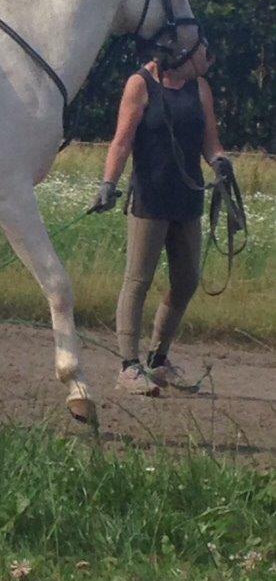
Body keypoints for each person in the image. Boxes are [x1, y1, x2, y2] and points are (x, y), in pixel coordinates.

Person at [91, 42, 232, 395]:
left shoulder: (200, 88)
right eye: (203, 54)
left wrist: (220, 163)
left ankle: (157, 360)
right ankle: (128, 366)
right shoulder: (140, 84)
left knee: (186, 280)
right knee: (138, 280)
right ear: (186, 55)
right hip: (150, 197)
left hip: (188, 198)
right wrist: (108, 183)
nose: (207, 61)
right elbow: (121, 141)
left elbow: (210, 142)